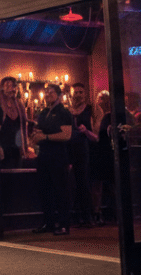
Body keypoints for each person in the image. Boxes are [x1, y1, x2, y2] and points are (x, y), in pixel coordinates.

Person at [30, 83, 73, 235]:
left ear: (59, 95)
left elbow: (67, 135)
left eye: (51, 92)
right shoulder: (44, 112)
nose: (48, 94)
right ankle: (48, 223)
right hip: (43, 156)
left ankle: (63, 225)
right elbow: (39, 131)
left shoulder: (64, 112)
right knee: (44, 190)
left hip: (58, 156)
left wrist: (45, 137)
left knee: (60, 191)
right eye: (46, 92)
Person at [91, 90, 122, 225]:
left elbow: (99, 136)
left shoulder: (110, 116)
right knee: (104, 185)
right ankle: (108, 213)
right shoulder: (99, 115)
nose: (99, 101)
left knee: (110, 184)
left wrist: (87, 132)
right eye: (99, 98)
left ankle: (116, 213)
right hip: (100, 152)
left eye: (102, 98)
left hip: (107, 153)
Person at [68, 83, 96, 226]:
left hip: (86, 151)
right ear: (71, 94)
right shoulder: (67, 111)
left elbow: (97, 136)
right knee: (71, 184)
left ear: (85, 94)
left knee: (84, 184)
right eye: (76, 92)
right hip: (70, 151)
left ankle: (88, 217)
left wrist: (86, 131)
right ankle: (75, 216)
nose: (78, 94)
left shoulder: (91, 110)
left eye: (81, 92)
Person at [0, 76, 24, 169]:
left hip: (16, 149)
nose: (11, 89)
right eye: (7, 86)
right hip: (3, 149)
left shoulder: (18, 104)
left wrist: (24, 147)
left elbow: (22, 127)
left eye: (13, 86)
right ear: (2, 89)